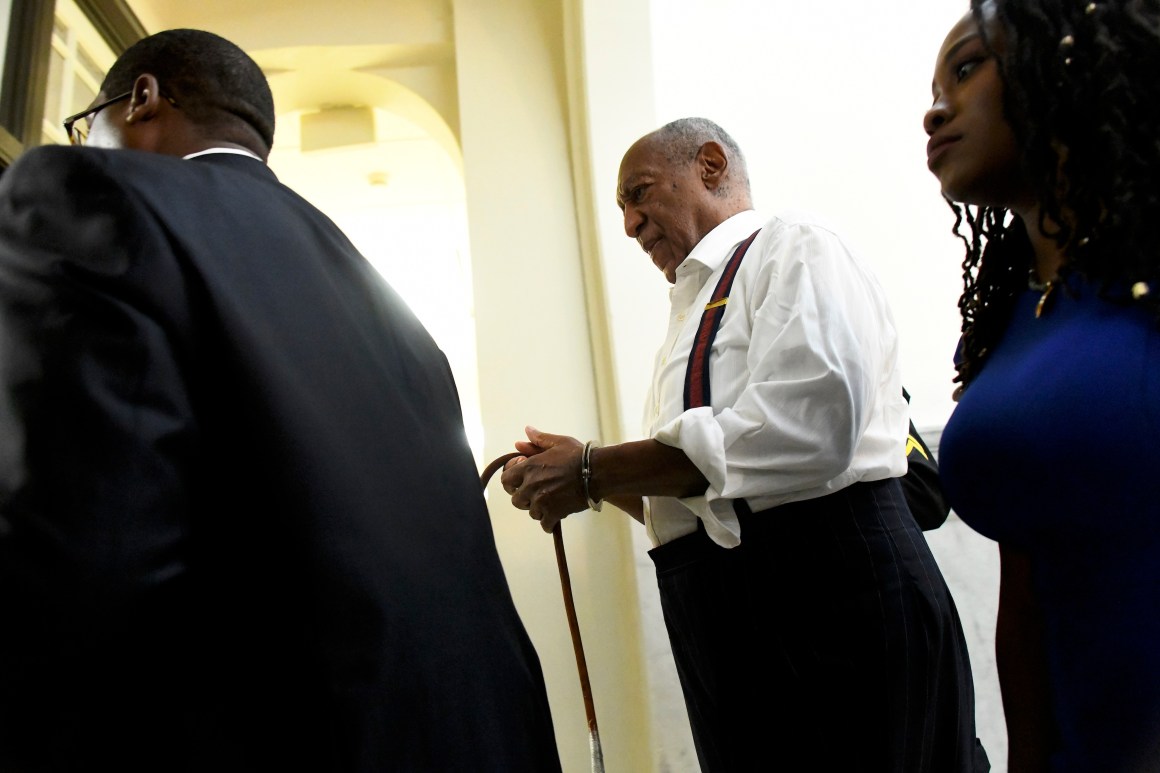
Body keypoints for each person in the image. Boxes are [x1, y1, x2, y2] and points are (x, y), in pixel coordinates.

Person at [0, 29, 561, 772]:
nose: (83, 144)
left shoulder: (94, 195)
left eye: (86, 124)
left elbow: (79, 557)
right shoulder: (395, 313)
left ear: (141, 100)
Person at [501, 117, 988, 772]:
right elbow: (707, 501)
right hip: (729, 633)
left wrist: (593, 468)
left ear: (709, 165)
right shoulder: (685, 322)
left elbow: (805, 431)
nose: (629, 224)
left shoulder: (795, 248)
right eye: (621, 209)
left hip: (832, 608)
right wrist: (592, 475)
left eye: (639, 193)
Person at [925, 1, 1160, 770]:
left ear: (1062, 61)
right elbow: (1024, 584)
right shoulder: (1014, 317)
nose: (935, 110)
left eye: (966, 69)